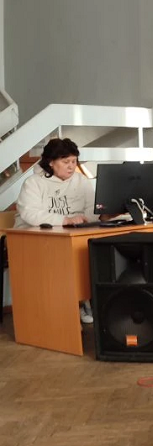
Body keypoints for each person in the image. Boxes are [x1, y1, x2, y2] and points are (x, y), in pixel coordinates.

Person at [15, 138, 96, 323]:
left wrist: (88, 219)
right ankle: (72, 306)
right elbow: (30, 214)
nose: (71, 166)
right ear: (51, 162)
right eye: (66, 161)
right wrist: (65, 220)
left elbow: (92, 209)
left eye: (74, 161)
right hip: (33, 239)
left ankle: (85, 300)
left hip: (71, 235)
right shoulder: (33, 183)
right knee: (65, 256)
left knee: (94, 250)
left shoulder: (81, 181)